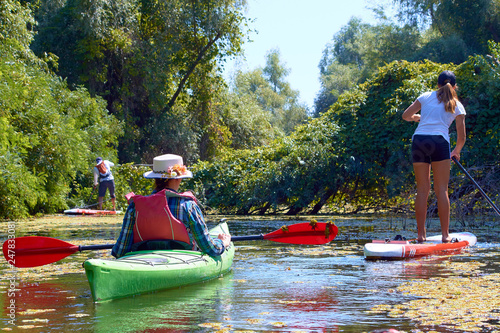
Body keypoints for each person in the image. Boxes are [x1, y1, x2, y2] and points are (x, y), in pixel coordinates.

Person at [112, 153, 231, 258]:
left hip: (142, 261)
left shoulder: (134, 207)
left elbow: (120, 251)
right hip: (183, 261)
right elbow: (210, 249)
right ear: (178, 179)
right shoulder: (188, 206)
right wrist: (222, 243)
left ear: (155, 179)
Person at [402, 70, 466, 243]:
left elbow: (405, 115)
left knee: (422, 190)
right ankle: (445, 236)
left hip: (419, 141)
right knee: (442, 190)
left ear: (437, 85)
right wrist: (456, 151)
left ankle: (421, 236)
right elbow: (462, 137)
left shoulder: (425, 96)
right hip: (439, 142)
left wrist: (417, 118)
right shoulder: (457, 105)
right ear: (454, 86)